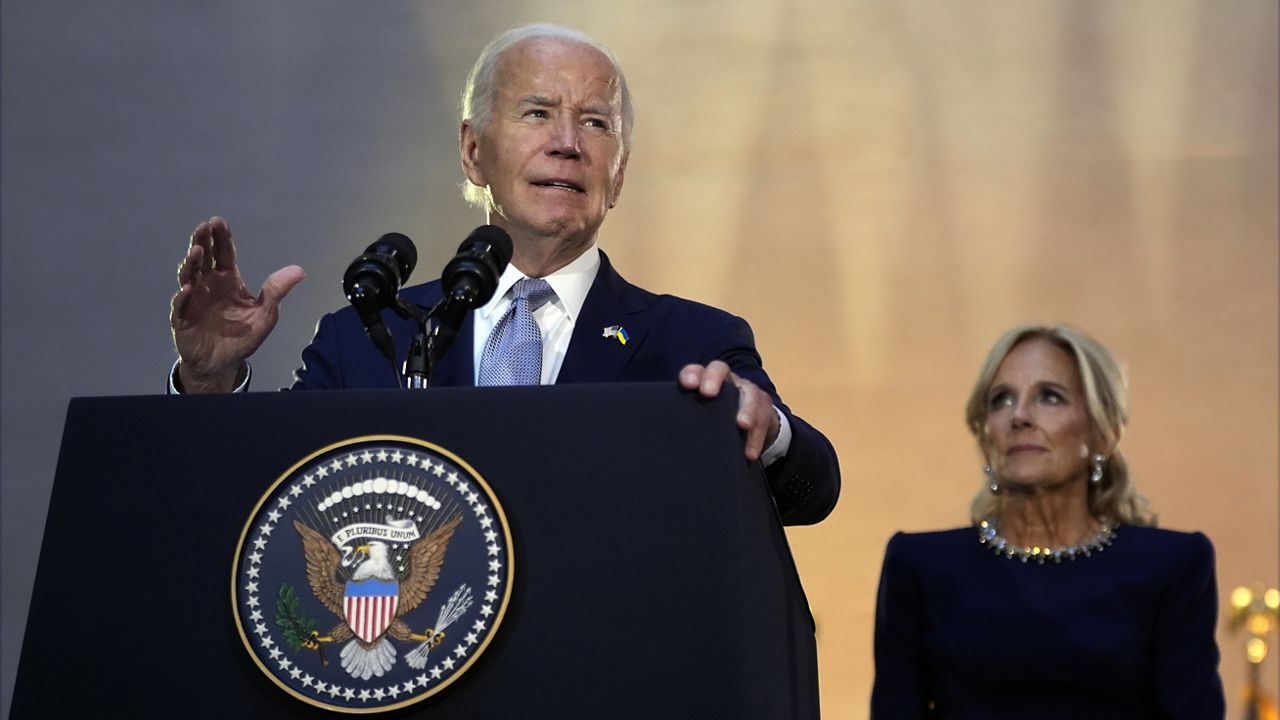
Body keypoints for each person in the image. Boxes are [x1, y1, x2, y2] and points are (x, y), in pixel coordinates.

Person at [167, 23, 839, 525]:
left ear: (620, 172)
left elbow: (813, 491)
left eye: (595, 123)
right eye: (538, 113)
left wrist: (767, 428)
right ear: (472, 151)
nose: (568, 143)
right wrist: (208, 381)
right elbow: (258, 499)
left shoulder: (692, 342)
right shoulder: (363, 341)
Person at [870, 324, 1224, 718]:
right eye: (1001, 400)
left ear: (1103, 433)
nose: (1019, 416)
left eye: (1050, 397)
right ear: (985, 433)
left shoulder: (1172, 566)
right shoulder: (920, 565)